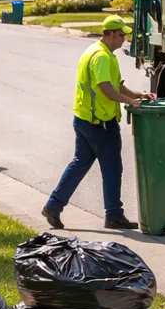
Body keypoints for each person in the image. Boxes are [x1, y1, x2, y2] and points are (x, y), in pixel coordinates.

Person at [42, 16, 154, 230]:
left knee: (80, 163)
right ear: (110, 33)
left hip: (85, 119)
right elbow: (106, 88)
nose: (124, 40)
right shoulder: (101, 57)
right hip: (100, 122)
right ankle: (113, 215)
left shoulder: (98, 52)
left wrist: (139, 95)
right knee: (112, 167)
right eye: (121, 35)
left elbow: (117, 85)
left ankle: (53, 205)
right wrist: (129, 102)